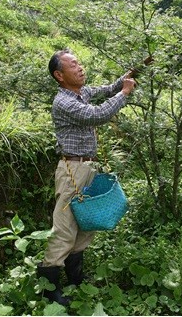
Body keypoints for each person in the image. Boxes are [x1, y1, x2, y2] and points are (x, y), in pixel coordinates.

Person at [40, 48, 137, 306]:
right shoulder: (64, 102)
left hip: (88, 168)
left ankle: (75, 280)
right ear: (59, 75)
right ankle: (49, 288)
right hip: (72, 170)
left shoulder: (81, 92)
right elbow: (98, 115)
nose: (80, 68)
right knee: (65, 227)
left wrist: (124, 80)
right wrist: (125, 93)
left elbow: (105, 90)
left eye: (79, 63)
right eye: (73, 65)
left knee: (86, 225)